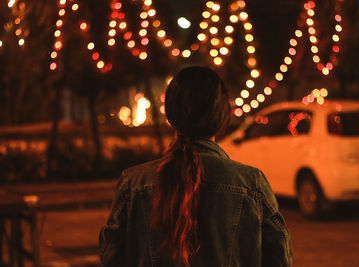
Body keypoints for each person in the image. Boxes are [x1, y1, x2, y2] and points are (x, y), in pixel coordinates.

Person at [99, 66, 292, 267]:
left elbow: (111, 256)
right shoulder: (251, 183)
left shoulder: (133, 183)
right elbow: (279, 257)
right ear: (222, 116)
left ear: (170, 115)